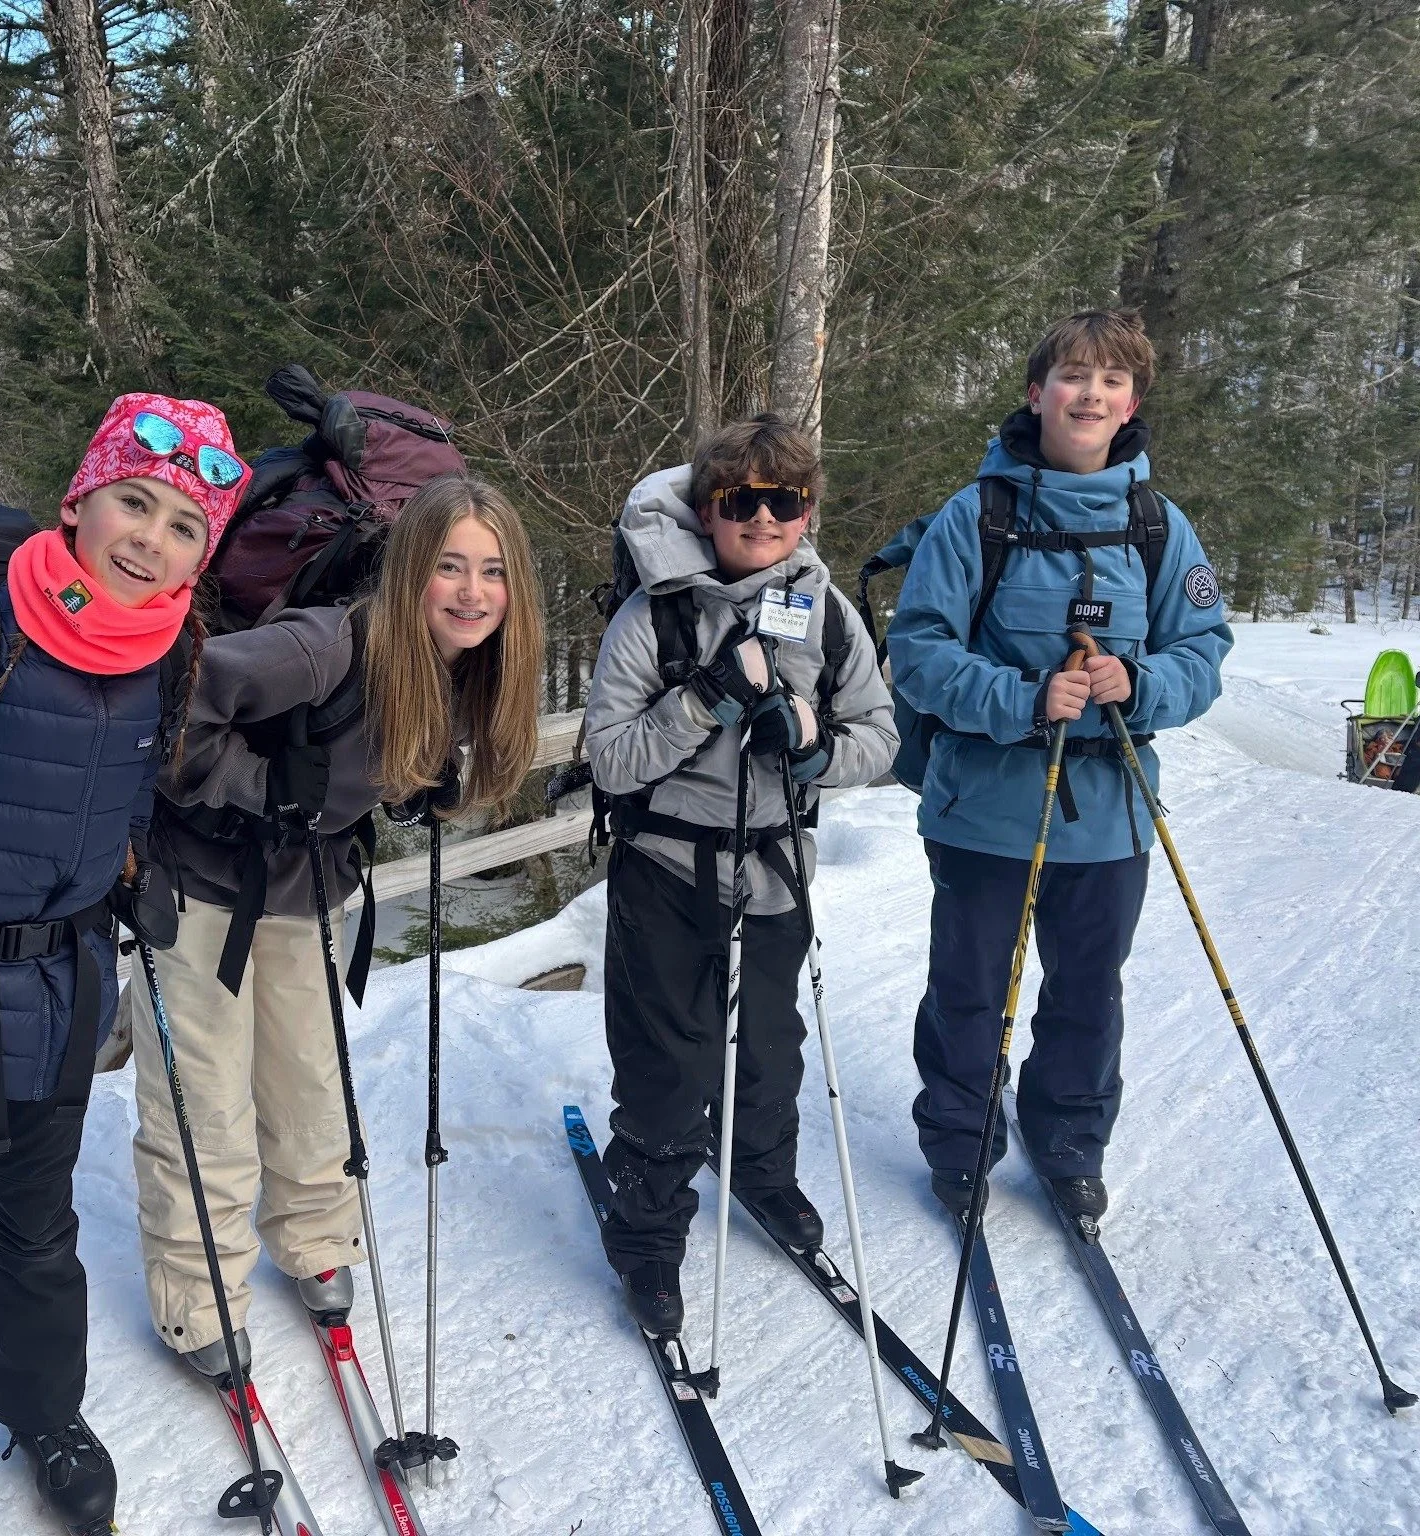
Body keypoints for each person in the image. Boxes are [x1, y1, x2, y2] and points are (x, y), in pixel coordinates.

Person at [0, 393, 247, 1536]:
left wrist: (129, 886)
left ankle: (45, 1413)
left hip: (59, 998)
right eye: (133, 504)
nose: (150, 541)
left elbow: (127, 803)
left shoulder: (165, 654)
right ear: (79, 500)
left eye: (184, 527)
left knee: (39, 1237)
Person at [130, 473, 545, 1376]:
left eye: (493, 571)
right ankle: (197, 1297)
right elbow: (172, 708)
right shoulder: (323, 646)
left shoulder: (463, 667)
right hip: (201, 882)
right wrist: (263, 786)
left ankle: (315, 1236)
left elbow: (364, 762)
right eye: (449, 566)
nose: (473, 592)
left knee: (311, 1081)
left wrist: (416, 787)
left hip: (307, 886)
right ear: (409, 571)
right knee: (204, 1100)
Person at [887, 309, 1232, 1219]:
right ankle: (960, 1143)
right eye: (1074, 376)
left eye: (1112, 381)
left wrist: (1140, 683)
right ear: (1038, 393)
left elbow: (1203, 654)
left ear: (1132, 404)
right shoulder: (976, 517)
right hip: (985, 806)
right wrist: (1026, 698)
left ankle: (1069, 1139)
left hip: (1112, 811)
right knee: (970, 991)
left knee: (1086, 992)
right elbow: (918, 652)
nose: (1091, 394)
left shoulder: (1159, 526)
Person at [583, 414, 898, 1336]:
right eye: (743, 501)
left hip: (774, 866)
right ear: (708, 510)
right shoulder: (655, 613)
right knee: (668, 1061)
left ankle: (761, 1171)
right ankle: (648, 1233)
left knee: (768, 1045)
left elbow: (879, 738)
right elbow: (611, 758)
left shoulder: (825, 612)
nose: (764, 518)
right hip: (665, 868)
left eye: (785, 501)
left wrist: (813, 746)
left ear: (808, 511)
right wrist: (703, 701)